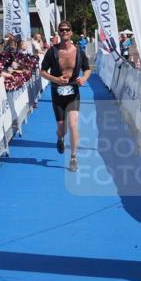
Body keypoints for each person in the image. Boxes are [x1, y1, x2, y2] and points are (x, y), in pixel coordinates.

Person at [40, 22, 91, 173]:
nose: (64, 32)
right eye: (61, 30)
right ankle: (60, 138)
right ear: (59, 33)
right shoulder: (52, 51)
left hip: (73, 92)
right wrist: (56, 80)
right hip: (57, 93)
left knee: (73, 124)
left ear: (71, 32)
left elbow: (87, 69)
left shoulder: (79, 51)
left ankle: (73, 157)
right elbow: (42, 71)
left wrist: (84, 78)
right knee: (62, 129)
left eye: (67, 30)